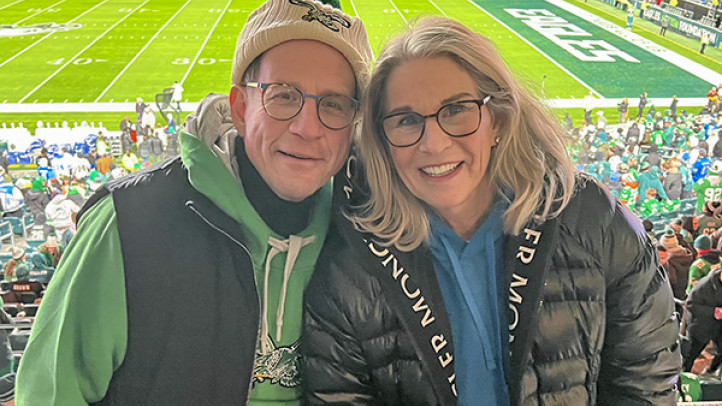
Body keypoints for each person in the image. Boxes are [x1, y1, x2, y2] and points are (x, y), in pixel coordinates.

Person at [302, 17, 681, 406]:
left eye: (456, 110)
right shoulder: (350, 266)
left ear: (497, 119)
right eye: (407, 120)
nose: (433, 143)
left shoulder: (594, 221)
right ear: (382, 141)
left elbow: (647, 386)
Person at [15, 0, 372, 404]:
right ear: (241, 109)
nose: (307, 127)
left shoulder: (367, 236)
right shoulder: (127, 225)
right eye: (284, 96)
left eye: (334, 104)